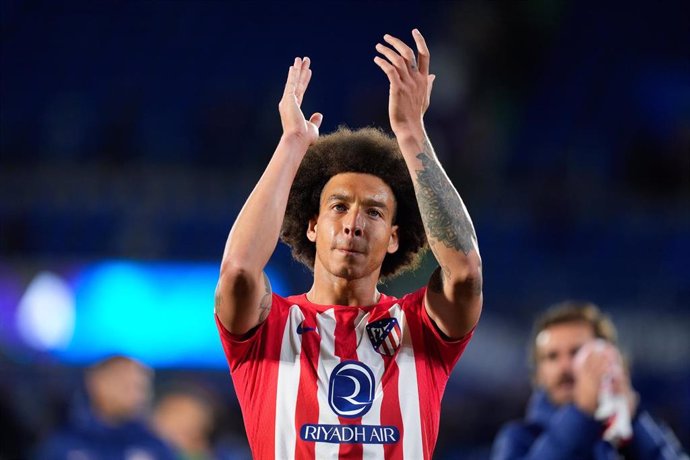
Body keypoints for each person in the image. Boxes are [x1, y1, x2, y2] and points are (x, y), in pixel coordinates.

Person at [214, 29, 482, 459]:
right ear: (312, 226)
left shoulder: (420, 327)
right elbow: (239, 271)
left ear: (395, 238)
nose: (354, 222)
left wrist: (412, 132)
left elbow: (465, 272)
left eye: (374, 212)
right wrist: (291, 146)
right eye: (338, 206)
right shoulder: (269, 327)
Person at [491, 301, 688, 460]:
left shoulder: (639, 433)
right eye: (551, 357)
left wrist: (632, 423)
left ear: (611, 362)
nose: (564, 366)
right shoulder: (517, 438)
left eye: (576, 352)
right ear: (538, 374)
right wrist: (582, 414)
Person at [34, 355, 176, 460]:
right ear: (96, 383)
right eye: (124, 384)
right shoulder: (64, 444)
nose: (135, 394)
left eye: (140, 387)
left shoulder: (154, 445)